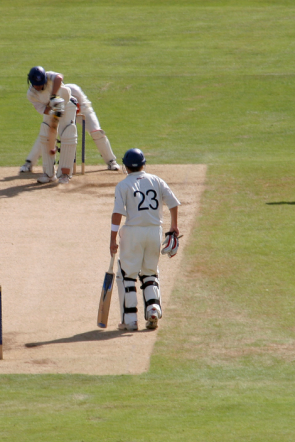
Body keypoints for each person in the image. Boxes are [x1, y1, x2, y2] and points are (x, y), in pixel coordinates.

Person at [110, 148, 180, 331]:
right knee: (150, 272)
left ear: (125, 166)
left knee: (127, 275)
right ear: (144, 164)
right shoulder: (156, 180)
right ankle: (154, 309)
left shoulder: (123, 185)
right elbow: (173, 202)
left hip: (133, 233)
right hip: (154, 232)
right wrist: (174, 225)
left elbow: (117, 214)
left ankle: (130, 321)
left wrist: (112, 239)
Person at [20, 82, 120, 173]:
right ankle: (29, 162)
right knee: (45, 134)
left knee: (97, 132)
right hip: (63, 115)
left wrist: (73, 113)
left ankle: (111, 161)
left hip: (83, 111)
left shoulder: (74, 89)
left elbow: (81, 106)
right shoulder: (55, 96)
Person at [25, 66, 78, 184]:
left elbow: (59, 78)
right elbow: (43, 109)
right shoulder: (31, 94)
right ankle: (49, 174)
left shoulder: (49, 76)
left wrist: (54, 96)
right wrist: (53, 109)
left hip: (67, 104)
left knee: (68, 135)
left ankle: (65, 174)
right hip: (50, 109)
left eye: (40, 84)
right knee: (45, 134)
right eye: (36, 85)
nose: (38, 87)